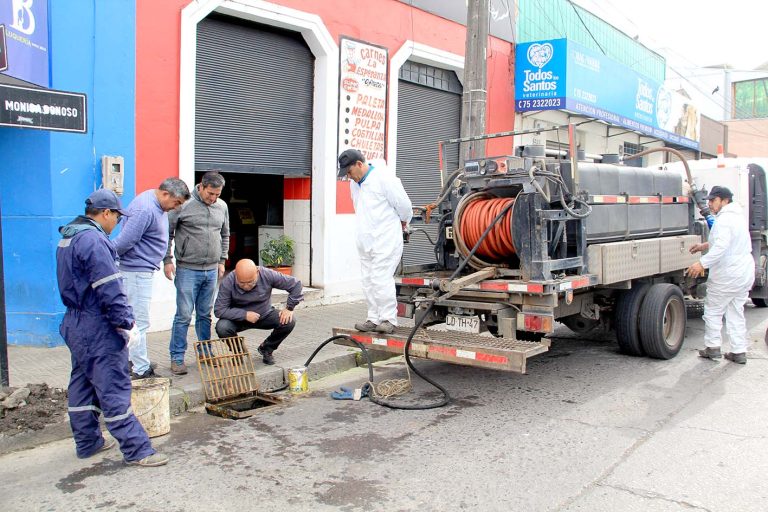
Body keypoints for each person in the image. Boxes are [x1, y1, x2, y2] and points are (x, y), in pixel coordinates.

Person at [56, 188, 168, 467]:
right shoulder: (95, 241)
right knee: (114, 388)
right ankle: (137, 450)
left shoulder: (68, 238)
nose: (118, 222)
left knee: (82, 384)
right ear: (106, 213)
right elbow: (110, 288)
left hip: (75, 322)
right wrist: (126, 324)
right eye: (117, 216)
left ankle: (88, 442)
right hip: (98, 326)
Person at [114, 178, 190, 379]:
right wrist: (107, 257)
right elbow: (125, 241)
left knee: (137, 320)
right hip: (135, 271)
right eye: (177, 203)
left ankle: (137, 360)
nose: (177, 207)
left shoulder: (156, 204)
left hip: (141, 269)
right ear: (165, 194)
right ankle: (140, 368)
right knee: (139, 322)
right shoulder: (145, 209)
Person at [337, 149, 413, 334]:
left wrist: (403, 222)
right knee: (368, 280)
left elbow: (404, 207)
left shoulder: (385, 179)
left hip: (385, 239)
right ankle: (373, 318)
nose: (348, 177)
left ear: (359, 164)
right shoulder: (356, 184)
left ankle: (388, 319)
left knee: (380, 279)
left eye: (349, 172)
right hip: (366, 241)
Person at [164, 171, 230, 375]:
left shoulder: (222, 206)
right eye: (210, 193)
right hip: (187, 269)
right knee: (183, 315)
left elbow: (225, 233)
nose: (213, 198)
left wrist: (222, 260)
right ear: (201, 186)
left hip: (211, 270)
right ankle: (177, 358)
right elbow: (167, 233)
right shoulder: (183, 205)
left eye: (217, 194)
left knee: (205, 314)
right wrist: (167, 260)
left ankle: (205, 353)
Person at [687, 186, 754, 364]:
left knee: (713, 310)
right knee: (735, 311)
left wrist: (702, 263)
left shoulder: (724, 220)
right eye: (709, 200)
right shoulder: (737, 217)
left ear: (724, 200)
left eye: (713, 200)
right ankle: (739, 351)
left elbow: (722, 247)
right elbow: (726, 242)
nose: (710, 204)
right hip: (744, 270)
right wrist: (704, 246)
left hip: (728, 271)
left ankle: (713, 347)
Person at [214, 259, 303, 365]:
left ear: (257, 272)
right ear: (236, 275)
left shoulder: (267, 274)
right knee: (222, 327)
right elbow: (219, 310)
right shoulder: (228, 282)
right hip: (238, 319)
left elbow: (296, 284)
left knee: (289, 321)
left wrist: (289, 308)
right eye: (242, 283)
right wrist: (244, 315)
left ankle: (266, 348)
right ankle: (238, 352)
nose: (246, 286)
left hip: (265, 314)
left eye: (250, 282)